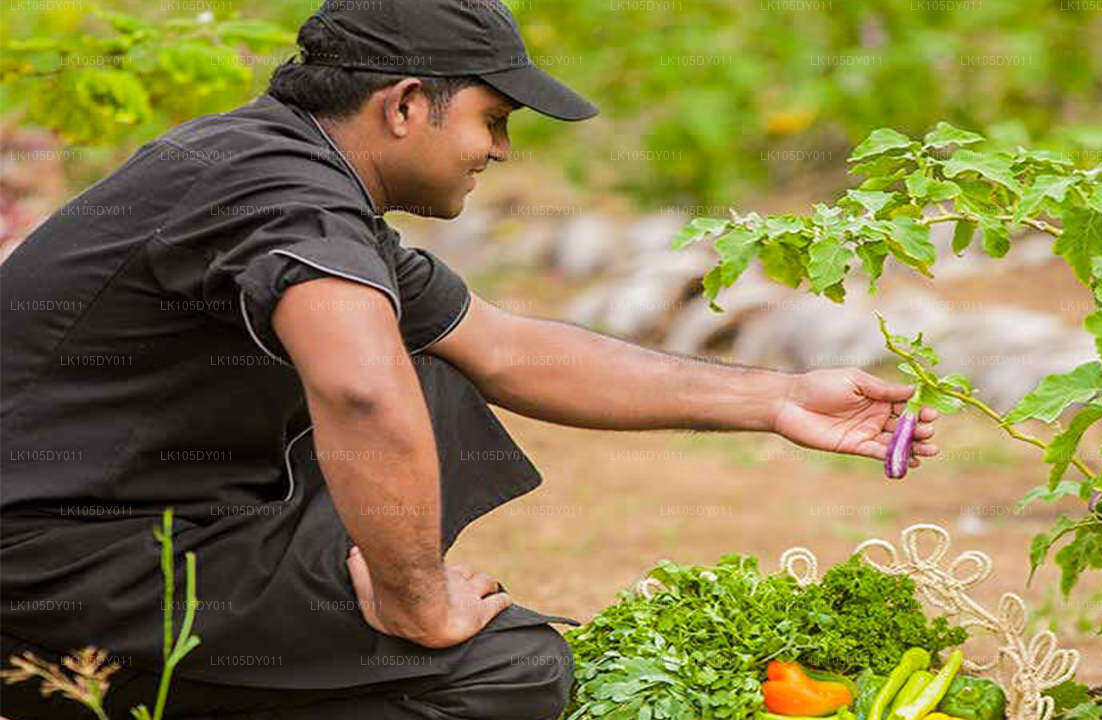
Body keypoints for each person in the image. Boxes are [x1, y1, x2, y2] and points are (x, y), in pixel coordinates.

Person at [0, 0, 939, 717]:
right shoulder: (286, 198)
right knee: (516, 674)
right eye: (494, 118)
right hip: (58, 566)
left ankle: (322, 644)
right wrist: (416, 603)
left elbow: (509, 348)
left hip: (140, 522)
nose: (500, 148)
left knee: (439, 366)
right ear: (406, 104)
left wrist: (776, 398)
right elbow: (362, 395)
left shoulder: (279, 169)